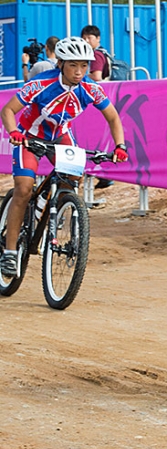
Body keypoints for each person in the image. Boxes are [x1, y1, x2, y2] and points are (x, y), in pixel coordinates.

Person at [0, 36, 128, 277]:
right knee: (24, 188)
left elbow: (113, 118)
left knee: (71, 180)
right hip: (30, 136)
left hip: (60, 136)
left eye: (84, 66)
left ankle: (56, 208)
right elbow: (8, 110)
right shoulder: (41, 84)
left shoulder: (90, 89)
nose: (79, 72)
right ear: (60, 63)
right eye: (73, 65)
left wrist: (120, 146)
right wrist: (14, 132)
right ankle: (9, 252)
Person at [80, 25, 115, 189]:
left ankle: (105, 175)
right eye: (84, 38)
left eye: (90, 38)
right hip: (105, 100)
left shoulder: (95, 55)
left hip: (99, 102)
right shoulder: (103, 53)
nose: (87, 41)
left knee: (96, 140)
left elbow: (97, 77)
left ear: (98, 39)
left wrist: (80, 77)